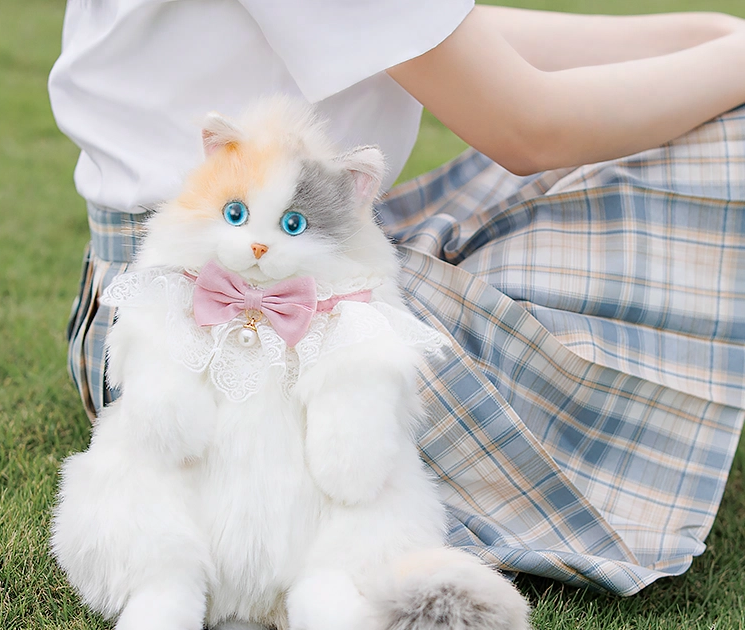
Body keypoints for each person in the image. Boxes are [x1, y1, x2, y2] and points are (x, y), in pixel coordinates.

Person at [49, 1, 745, 595]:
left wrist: (703, 35)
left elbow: (445, 31)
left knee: (702, 84)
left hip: (175, 282)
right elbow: (533, 125)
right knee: (723, 127)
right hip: (183, 326)